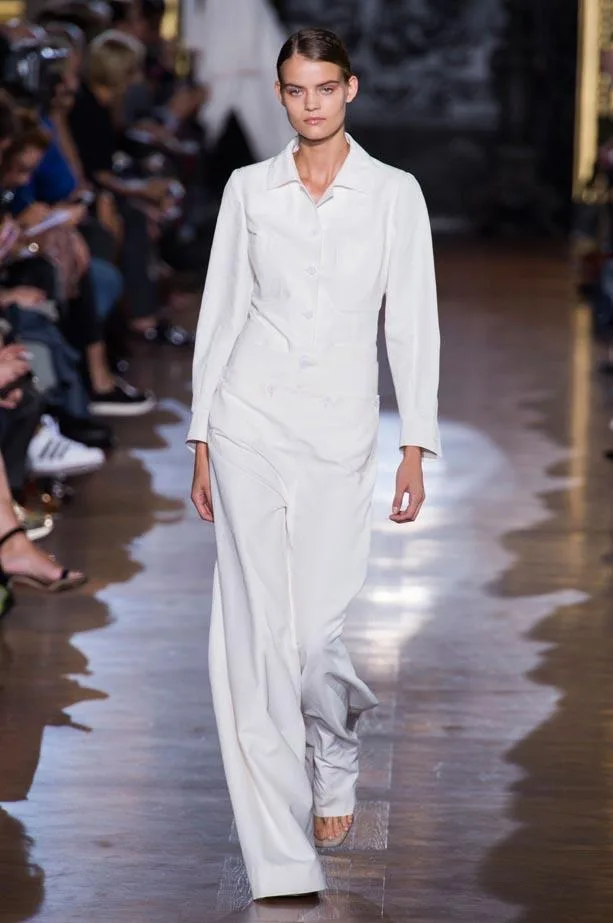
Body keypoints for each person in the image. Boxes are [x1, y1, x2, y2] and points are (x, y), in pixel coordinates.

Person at [188, 28, 441, 900]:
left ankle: (333, 745)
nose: (311, 105)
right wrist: (199, 436)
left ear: (351, 89)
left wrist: (415, 442)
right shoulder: (247, 190)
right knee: (252, 643)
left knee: (311, 640)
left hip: (339, 431)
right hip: (248, 419)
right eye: (296, 91)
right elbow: (221, 312)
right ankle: (279, 856)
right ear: (280, 93)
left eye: (325, 88)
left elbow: (410, 321)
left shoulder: (392, 195)